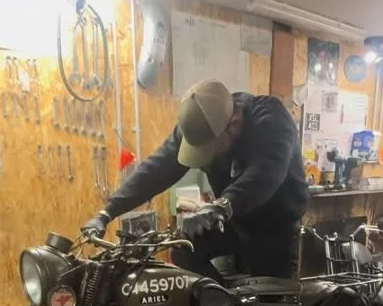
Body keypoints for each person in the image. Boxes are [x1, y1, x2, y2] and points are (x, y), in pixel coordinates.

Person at [83, 78, 309, 280]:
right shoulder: (198, 127)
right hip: (233, 221)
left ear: (233, 125)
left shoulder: (271, 120)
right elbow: (156, 169)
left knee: (270, 305)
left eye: (209, 150)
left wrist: (221, 206)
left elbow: (265, 174)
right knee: (183, 249)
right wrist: (107, 213)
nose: (206, 158)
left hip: (274, 228)